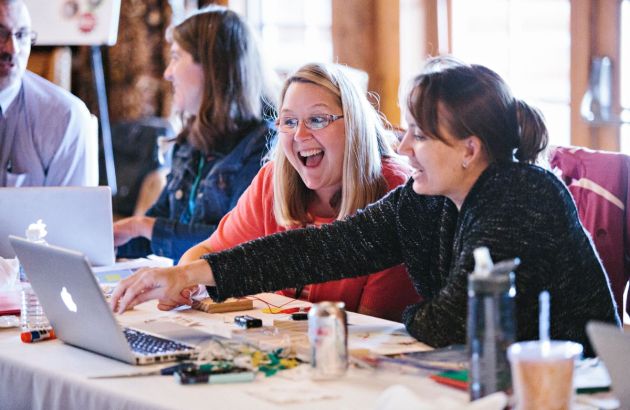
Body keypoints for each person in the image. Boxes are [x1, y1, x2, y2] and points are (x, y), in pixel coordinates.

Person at [111, 57, 620, 355]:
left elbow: (450, 324)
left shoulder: (522, 196)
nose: (401, 148)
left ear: (470, 148)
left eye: (419, 135)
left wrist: (410, 315)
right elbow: (323, 248)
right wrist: (194, 274)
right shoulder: (428, 200)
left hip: (574, 393)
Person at [178, 63, 420, 321]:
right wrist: (184, 283)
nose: (300, 134)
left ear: (354, 125)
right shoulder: (273, 180)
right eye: (289, 121)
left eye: (317, 120)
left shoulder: (395, 189)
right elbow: (206, 252)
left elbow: (375, 329)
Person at [113, 5, 278, 261]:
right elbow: (158, 226)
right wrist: (101, 241)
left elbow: (235, 243)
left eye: (177, 57)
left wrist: (142, 227)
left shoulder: (263, 144)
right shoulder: (191, 139)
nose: (168, 72)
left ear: (213, 68)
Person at [0, 0, 92, 187]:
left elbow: (73, 212)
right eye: (0, 34)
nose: (13, 49)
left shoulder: (65, 117)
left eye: (22, 35)